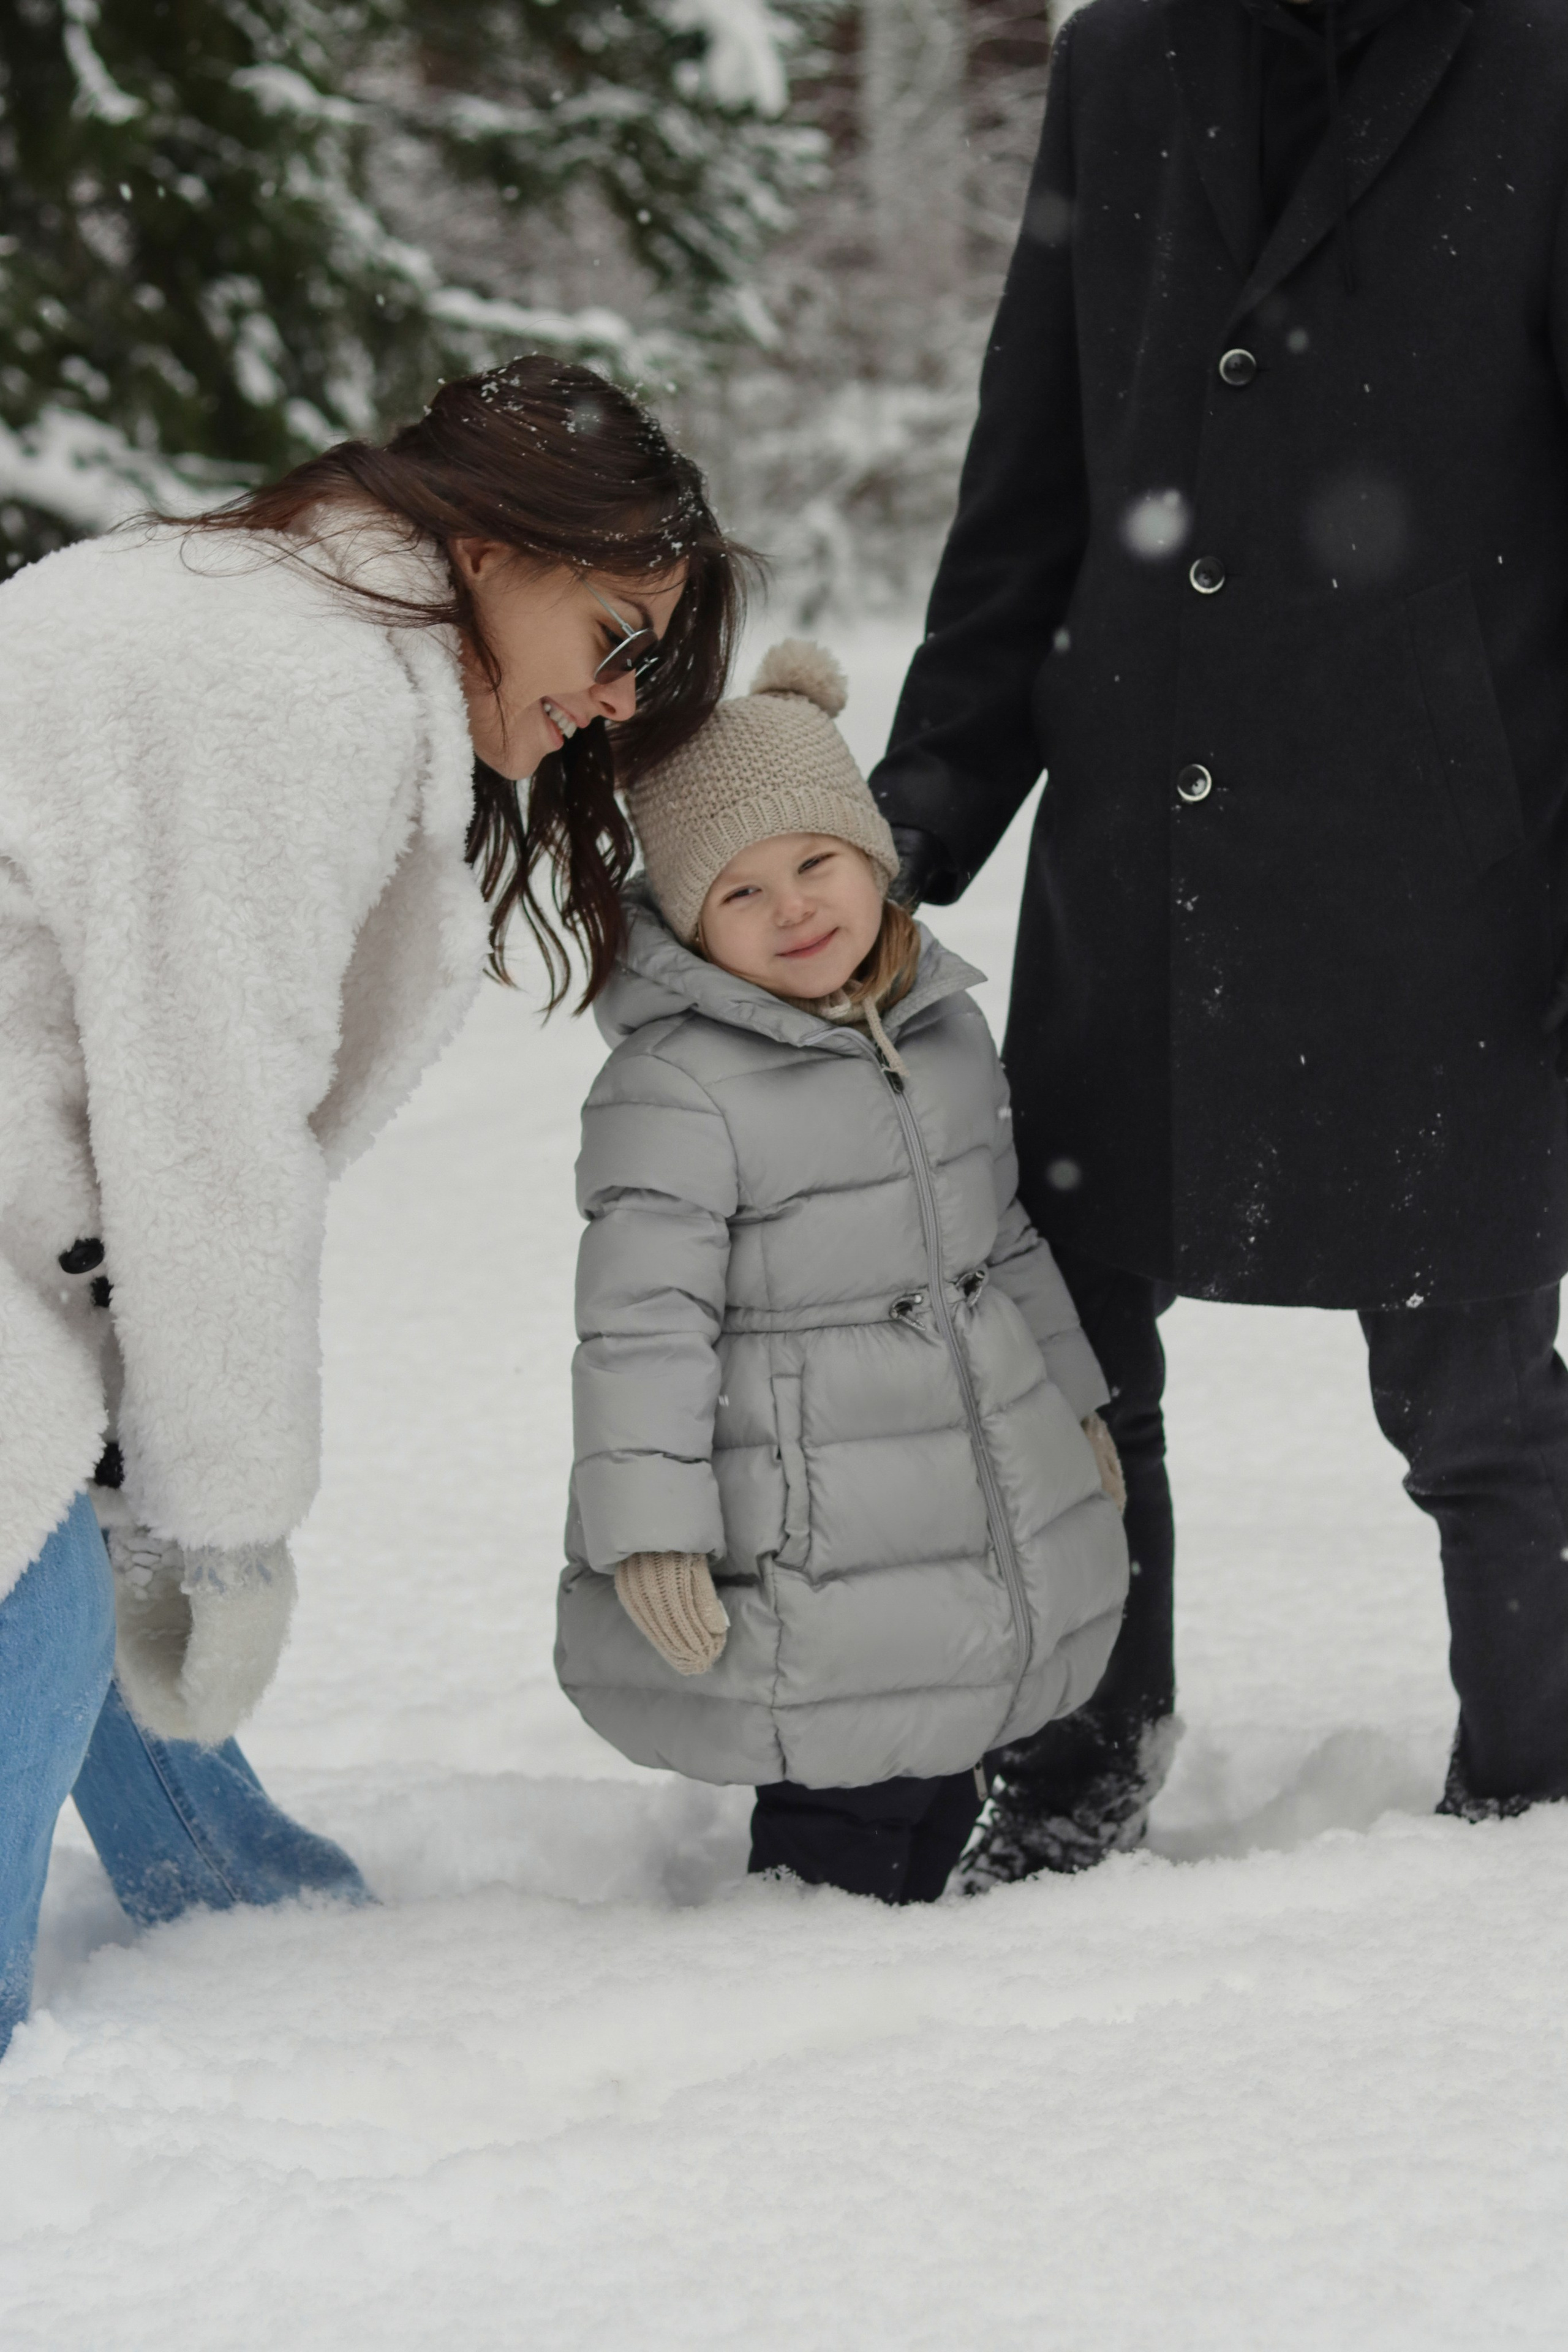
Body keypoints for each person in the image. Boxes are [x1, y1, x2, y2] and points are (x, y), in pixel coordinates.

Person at [870, 0, 1568, 1883]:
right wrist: (907, 826)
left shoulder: (1540, 61)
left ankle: (1538, 1788)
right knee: (1075, 1356)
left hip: (1448, 864)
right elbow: (1032, 483)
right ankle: (1084, 1764)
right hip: (1144, 850)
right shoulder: (1122, 59)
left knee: (1478, 1398)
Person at [0, 355, 747, 2054]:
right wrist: (226, 1524)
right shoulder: (299, 691)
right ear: (493, 550)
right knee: (37, 1574)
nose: (623, 697)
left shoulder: (280, 621)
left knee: (66, 1501)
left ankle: (227, 1886)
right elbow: (210, 1135)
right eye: (617, 635)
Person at [553, 641, 1129, 1903]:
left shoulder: (940, 1026)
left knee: (943, 1761)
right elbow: (639, 1327)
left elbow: (1002, 1236)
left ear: (870, 860)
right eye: (740, 894)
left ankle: (913, 2017)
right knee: (841, 1809)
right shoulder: (676, 1085)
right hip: (811, 1526)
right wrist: (648, 1535)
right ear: (692, 924)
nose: (793, 910)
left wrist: (1076, 1404)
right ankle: (813, 2046)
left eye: (814, 864)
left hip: (966, 1496)